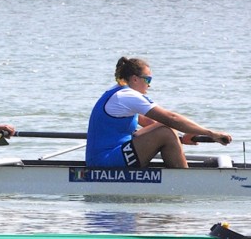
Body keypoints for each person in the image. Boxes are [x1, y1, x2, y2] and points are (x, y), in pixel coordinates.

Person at [86, 56, 231, 169]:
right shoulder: (127, 96)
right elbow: (171, 118)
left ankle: (181, 177)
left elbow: (153, 123)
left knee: (167, 129)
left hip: (109, 156)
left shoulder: (117, 92)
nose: (149, 85)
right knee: (166, 131)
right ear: (135, 79)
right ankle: (185, 181)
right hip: (105, 162)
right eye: (148, 79)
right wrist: (210, 133)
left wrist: (182, 136)